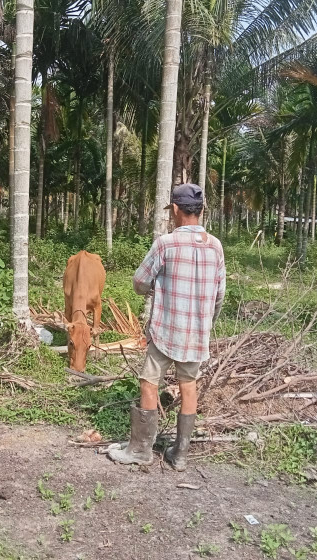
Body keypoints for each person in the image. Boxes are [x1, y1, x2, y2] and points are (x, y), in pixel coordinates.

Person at [108, 184, 225, 470]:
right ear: (200, 211)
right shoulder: (215, 245)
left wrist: (152, 289)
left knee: (149, 381)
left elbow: (139, 281)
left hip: (165, 330)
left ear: (175, 209)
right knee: (189, 385)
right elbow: (220, 294)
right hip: (197, 333)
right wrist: (205, 322)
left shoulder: (166, 243)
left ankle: (141, 450)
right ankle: (180, 454)